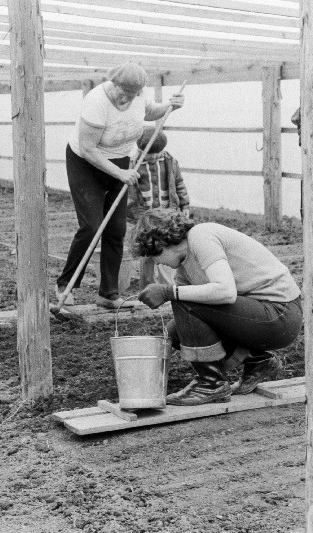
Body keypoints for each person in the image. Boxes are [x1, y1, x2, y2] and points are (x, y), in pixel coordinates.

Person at [134, 208, 301, 406]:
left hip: (280, 314)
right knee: (176, 331)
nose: (157, 262)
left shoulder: (200, 236)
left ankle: (211, 383)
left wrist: (168, 292)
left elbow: (226, 291)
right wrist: (151, 366)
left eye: (154, 257)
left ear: (162, 245)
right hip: (260, 316)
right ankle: (257, 361)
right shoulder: (183, 266)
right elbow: (192, 321)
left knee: (183, 298)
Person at [55, 61, 184, 309]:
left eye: (133, 94)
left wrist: (171, 106)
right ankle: (66, 285)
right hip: (86, 164)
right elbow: (88, 148)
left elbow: (150, 113)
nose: (127, 98)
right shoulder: (96, 102)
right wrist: (120, 173)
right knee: (91, 226)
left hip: (121, 162)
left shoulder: (137, 98)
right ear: (112, 84)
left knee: (116, 230)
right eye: (123, 92)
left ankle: (108, 294)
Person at [127, 127, 190, 289]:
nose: (154, 157)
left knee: (167, 248)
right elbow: (129, 194)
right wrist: (135, 216)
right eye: (149, 154)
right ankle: (147, 287)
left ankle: (167, 286)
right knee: (146, 251)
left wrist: (184, 205)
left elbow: (179, 185)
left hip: (167, 216)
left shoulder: (170, 163)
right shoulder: (133, 165)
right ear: (140, 150)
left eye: (157, 153)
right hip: (146, 217)